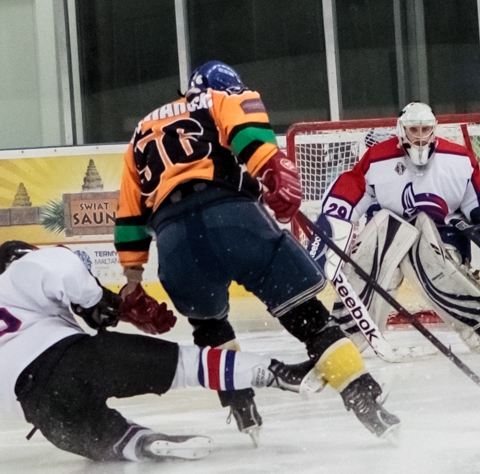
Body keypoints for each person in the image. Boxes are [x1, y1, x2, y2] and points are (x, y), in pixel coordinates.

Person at [113, 61, 400, 441]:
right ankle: (365, 401)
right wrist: (271, 167)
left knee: (210, 328)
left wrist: (132, 280)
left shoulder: (140, 132)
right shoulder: (216, 99)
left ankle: (242, 408)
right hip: (232, 219)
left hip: (175, 241)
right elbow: (247, 133)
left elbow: (130, 213)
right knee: (308, 318)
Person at [0, 241, 310, 462]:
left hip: (41, 411)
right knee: (184, 365)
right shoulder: (22, 269)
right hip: (74, 361)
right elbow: (61, 267)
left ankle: (139, 443)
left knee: (103, 437)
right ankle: (277, 373)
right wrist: (97, 300)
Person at [318, 102, 480, 354]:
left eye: (425, 129)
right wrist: (331, 226)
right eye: (413, 130)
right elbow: (350, 191)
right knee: (373, 249)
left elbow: (478, 200)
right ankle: (345, 335)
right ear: (401, 130)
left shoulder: (458, 159)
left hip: (442, 237)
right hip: (390, 234)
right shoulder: (377, 158)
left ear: (434, 130)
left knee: (435, 260)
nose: (420, 137)